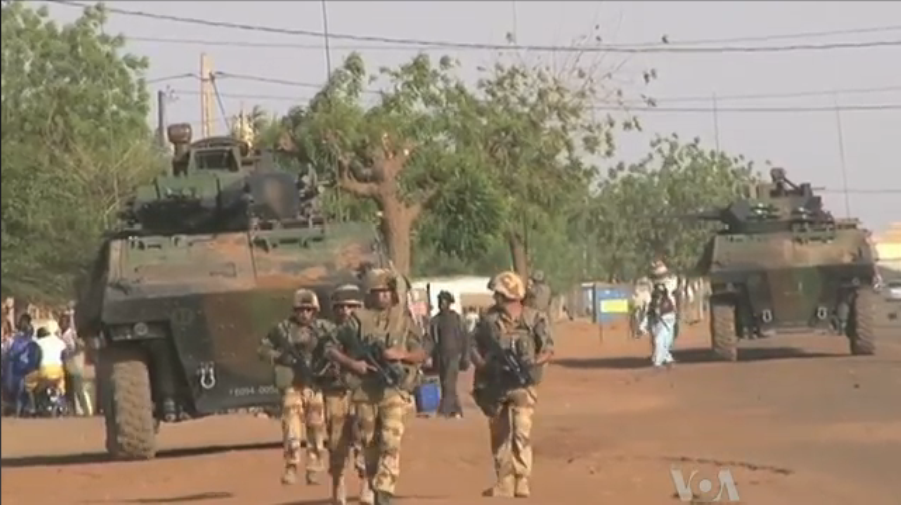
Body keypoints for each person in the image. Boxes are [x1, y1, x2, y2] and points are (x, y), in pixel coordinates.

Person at [325, 268, 430, 505]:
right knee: (369, 446)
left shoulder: (404, 321)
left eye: (386, 291)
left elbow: (423, 352)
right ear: (369, 294)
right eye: (377, 292)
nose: (382, 296)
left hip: (393, 390)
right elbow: (331, 347)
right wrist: (353, 364)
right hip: (364, 392)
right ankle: (373, 486)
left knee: (391, 441)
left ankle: (385, 488)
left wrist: (402, 354)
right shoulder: (357, 320)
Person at [471, 271, 554, 498]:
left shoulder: (534, 318)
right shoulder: (489, 320)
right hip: (495, 384)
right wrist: (482, 364)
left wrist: (532, 364)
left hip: (523, 384)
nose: (496, 298)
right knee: (499, 434)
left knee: (521, 431)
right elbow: (473, 346)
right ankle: (504, 482)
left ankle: (522, 480)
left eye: (499, 294)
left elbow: (547, 349)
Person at [258, 288, 335, 486]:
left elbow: (338, 344)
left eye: (309, 310)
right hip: (292, 384)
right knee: (292, 429)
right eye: (301, 310)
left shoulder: (324, 329)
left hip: (315, 384)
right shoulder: (282, 330)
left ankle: (314, 468)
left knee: (316, 428)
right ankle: (291, 466)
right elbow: (263, 349)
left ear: (315, 311)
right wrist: (279, 357)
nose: (305, 314)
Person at [322, 283, 365, 505]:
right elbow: (328, 353)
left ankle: (367, 485)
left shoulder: (368, 330)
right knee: (337, 441)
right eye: (341, 307)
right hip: (336, 392)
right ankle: (339, 485)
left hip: (364, 392)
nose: (346, 311)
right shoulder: (328, 333)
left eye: (351, 306)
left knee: (367, 437)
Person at [428, 291, 470, 418]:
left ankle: (444, 411)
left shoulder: (457, 318)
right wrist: (430, 356)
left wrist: (465, 356)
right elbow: (432, 340)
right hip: (441, 356)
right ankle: (456, 410)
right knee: (445, 383)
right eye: (440, 301)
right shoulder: (435, 320)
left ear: (449, 303)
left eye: (444, 301)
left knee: (448, 382)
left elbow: (465, 338)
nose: (441, 304)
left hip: (454, 356)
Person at [640, 261, 679, 368]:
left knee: (661, 339)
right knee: (659, 338)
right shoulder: (652, 289)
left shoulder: (669, 285)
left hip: (667, 315)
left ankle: (659, 361)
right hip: (657, 315)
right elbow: (649, 304)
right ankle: (664, 358)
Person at [24, 325, 69, 414]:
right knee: (60, 384)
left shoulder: (38, 342)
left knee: (27, 382)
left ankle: (32, 407)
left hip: (45, 370)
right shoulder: (58, 341)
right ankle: (63, 402)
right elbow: (65, 354)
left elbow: (35, 357)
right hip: (58, 370)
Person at [2, 314, 40, 415]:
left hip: (27, 373)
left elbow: (35, 359)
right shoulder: (17, 340)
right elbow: (10, 355)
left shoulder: (33, 343)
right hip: (16, 371)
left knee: (23, 387)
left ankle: (26, 409)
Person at [60, 313, 92, 416]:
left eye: (63, 322)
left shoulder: (70, 334)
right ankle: (72, 410)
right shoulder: (63, 335)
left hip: (75, 363)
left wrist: (68, 351)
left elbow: (77, 347)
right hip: (68, 363)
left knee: (78, 388)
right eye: (60, 322)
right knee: (70, 389)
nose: (61, 324)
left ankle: (86, 410)